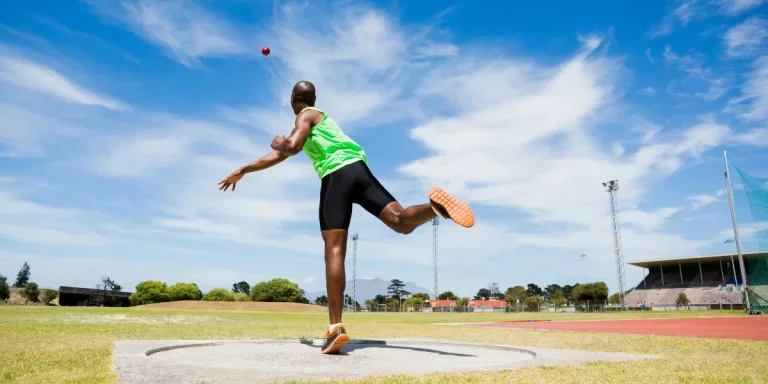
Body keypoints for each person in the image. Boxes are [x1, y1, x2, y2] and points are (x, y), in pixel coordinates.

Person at [218, 80, 474, 354]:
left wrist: (282, 141)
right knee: (400, 223)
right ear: (314, 97)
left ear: (293, 98)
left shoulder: (304, 116)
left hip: (336, 176)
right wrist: (244, 168)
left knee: (335, 251)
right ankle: (435, 208)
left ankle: (335, 328)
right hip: (359, 171)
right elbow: (278, 157)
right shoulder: (322, 120)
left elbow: (290, 147)